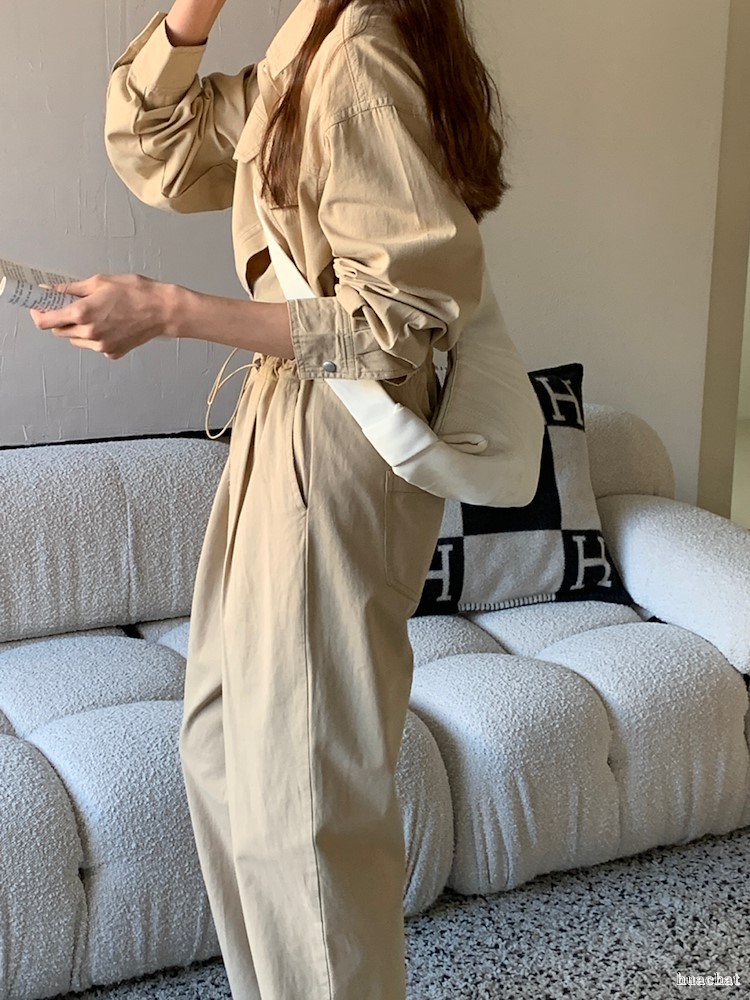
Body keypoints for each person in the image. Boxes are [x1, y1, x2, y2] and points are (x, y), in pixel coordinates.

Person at [30, 0, 509, 996]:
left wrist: (169, 311)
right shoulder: (311, 46)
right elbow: (156, 145)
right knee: (223, 750)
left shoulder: (363, 56)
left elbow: (396, 323)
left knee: (304, 803)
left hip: (332, 435)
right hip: (283, 421)